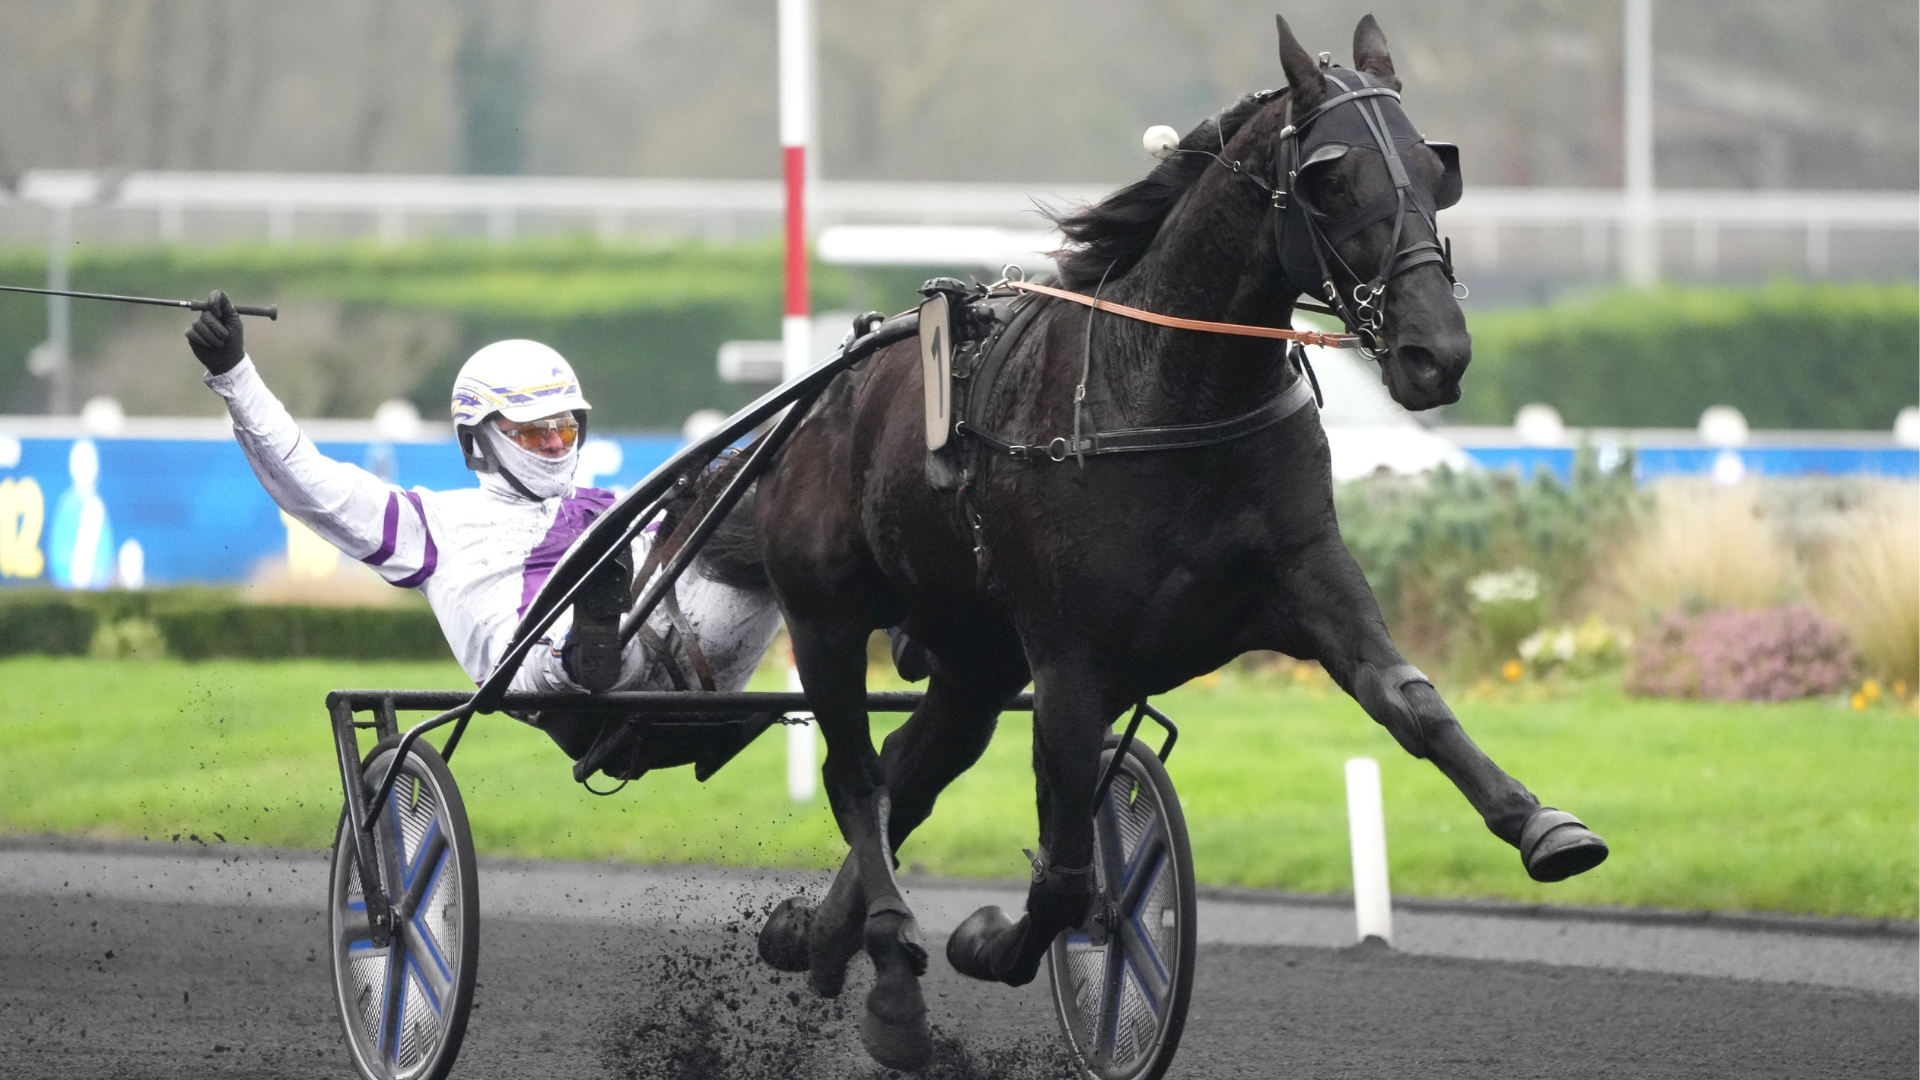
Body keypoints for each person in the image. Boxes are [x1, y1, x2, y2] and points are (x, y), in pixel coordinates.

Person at [185, 291, 782, 717]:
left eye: (565, 428)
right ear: (478, 442)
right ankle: (589, 642)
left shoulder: (615, 506)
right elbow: (309, 484)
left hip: (694, 661)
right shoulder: (432, 525)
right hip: (549, 676)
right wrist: (235, 373)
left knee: (750, 507)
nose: (555, 443)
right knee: (596, 628)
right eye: (533, 432)